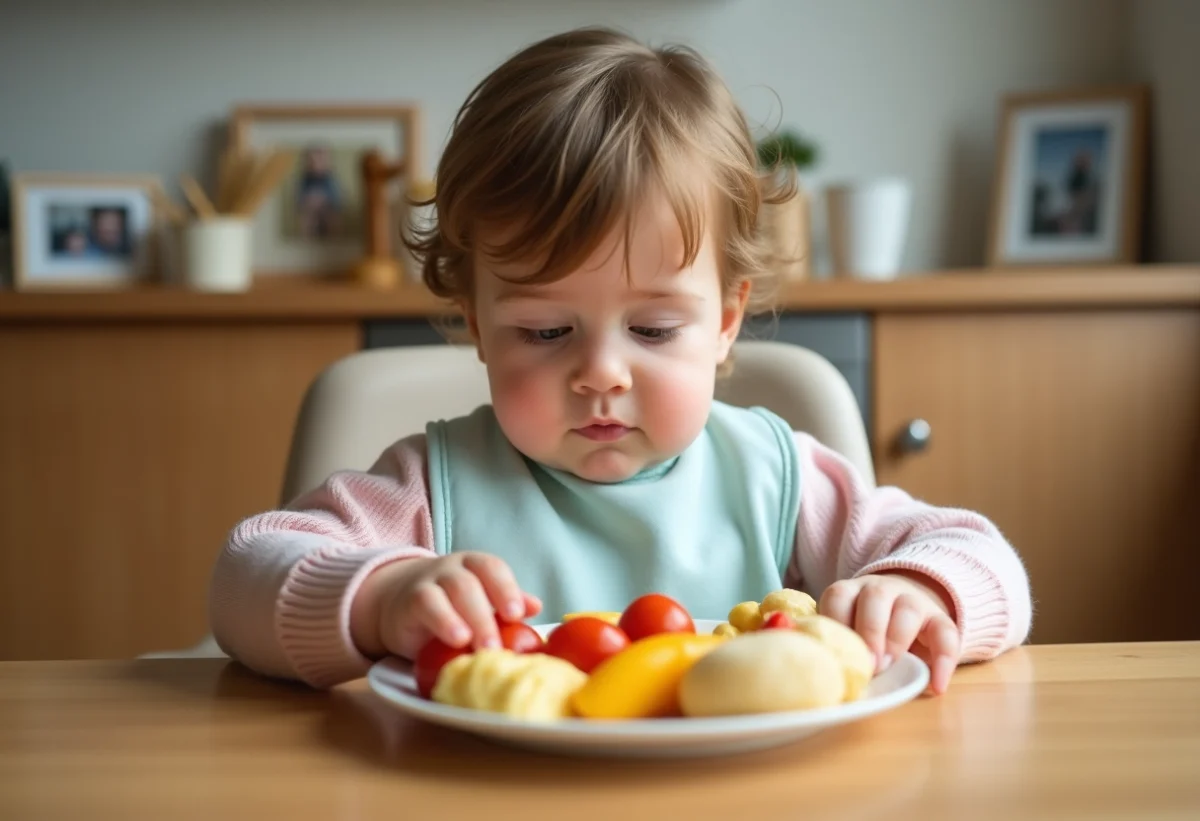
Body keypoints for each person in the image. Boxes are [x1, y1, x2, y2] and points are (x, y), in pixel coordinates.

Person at [209, 27, 1032, 695]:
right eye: (544, 331)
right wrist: (380, 599)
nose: (601, 372)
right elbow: (245, 573)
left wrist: (919, 588)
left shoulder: (778, 479)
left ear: (725, 321)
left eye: (653, 329)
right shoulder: (431, 487)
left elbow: (983, 555)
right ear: (477, 325)